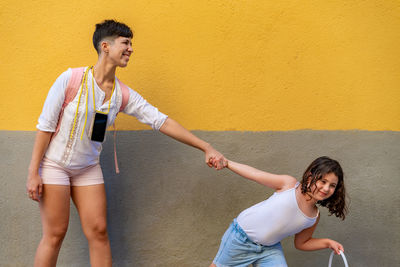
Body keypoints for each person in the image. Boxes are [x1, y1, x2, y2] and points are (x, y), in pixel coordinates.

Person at [26, 19, 227, 267]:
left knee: (99, 232)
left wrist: (205, 146)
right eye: (125, 43)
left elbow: (160, 120)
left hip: (87, 167)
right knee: (55, 235)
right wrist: (34, 172)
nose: (131, 48)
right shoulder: (71, 79)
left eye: (131, 43)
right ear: (105, 46)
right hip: (55, 165)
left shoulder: (122, 94)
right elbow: (45, 126)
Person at [210, 156, 347, 267]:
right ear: (310, 177)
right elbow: (254, 174)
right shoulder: (289, 184)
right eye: (323, 181)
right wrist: (227, 163)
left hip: (269, 249)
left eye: (332, 185)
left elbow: (302, 243)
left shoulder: (313, 216)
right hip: (241, 239)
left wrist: (328, 243)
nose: (326, 188)